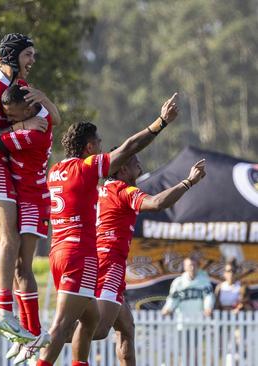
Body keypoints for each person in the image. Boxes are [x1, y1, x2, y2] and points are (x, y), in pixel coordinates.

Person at [38, 93, 180, 366]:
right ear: (89, 146)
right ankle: (39, 343)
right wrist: (160, 123)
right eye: (99, 143)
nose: (103, 148)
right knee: (72, 326)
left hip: (57, 251)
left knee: (95, 321)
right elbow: (128, 148)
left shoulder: (55, 171)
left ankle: (56, 347)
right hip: (82, 253)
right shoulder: (88, 169)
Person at [0, 32, 59, 344]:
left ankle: (18, 324)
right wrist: (13, 124)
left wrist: (41, 104)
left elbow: (52, 119)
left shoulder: (18, 88)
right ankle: (2, 310)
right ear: (11, 57)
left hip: (5, 173)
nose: (32, 61)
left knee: (17, 254)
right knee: (8, 241)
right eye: (27, 55)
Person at [84, 153, 207, 366]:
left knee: (126, 328)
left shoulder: (97, 190)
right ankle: (48, 339)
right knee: (100, 329)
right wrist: (189, 182)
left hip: (97, 260)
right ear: (122, 169)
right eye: (133, 159)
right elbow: (157, 202)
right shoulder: (122, 190)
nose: (139, 161)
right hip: (108, 263)